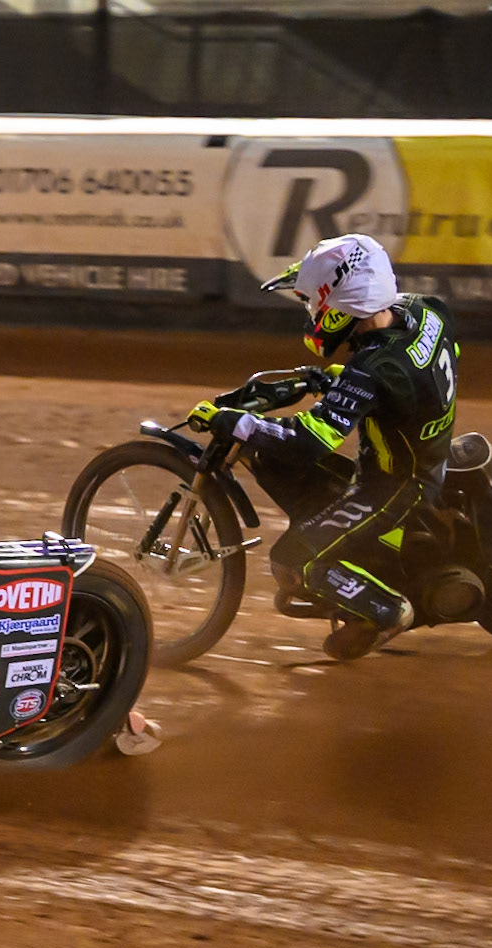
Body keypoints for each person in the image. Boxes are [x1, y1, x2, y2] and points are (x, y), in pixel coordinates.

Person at [188, 233, 460, 660]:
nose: (312, 312)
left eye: (314, 302)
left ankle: (385, 611)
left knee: (294, 560)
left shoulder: (372, 368)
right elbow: (403, 380)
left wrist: (232, 421)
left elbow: (305, 443)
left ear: (341, 305)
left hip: (394, 487)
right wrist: (336, 380)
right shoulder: (424, 311)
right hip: (426, 454)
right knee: (276, 463)